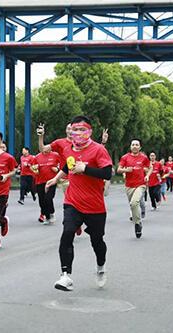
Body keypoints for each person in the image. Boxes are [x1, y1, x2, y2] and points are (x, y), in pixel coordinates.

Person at [45, 116, 112, 291]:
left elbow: (107, 173)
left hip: (95, 206)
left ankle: (101, 266)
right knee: (67, 233)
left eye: (83, 130)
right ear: (71, 132)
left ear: (89, 131)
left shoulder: (98, 150)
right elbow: (68, 166)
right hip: (73, 201)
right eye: (76, 130)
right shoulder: (68, 149)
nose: (79, 133)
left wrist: (86, 169)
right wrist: (55, 179)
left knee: (97, 241)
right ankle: (65, 276)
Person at [117, 139, 151, 238]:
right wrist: (125, 170)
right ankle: (138, 222)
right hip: (129, 186)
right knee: (132, 205)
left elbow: (150, 167)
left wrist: (147, 175)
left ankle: (137, 224)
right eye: (133, 145)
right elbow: (118, 169)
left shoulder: (144, 158)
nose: (135, 146)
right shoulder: (125, 157)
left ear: (140, 147)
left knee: (134, 202)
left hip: (141, 184)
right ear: (130, 147)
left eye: (137, 145)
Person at [31, 147, 61, 225]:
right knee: (42, 200)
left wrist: (57, 169)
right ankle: (47, 216)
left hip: (51, 181)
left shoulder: (55, 155)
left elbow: (63, 165)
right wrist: (35, 170)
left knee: (48, 197)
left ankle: (51, 213)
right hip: (40, 181)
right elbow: (33, 168)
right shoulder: (37, 157)